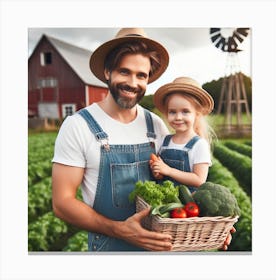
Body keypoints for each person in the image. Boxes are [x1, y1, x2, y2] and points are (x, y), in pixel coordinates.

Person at [52, 28, 234, 252]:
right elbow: (62, 203)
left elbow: (178, 186)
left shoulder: (155, 125)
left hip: (159, 250)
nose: (132, 83)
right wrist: (119, 230)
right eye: (124, 72)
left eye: (141, 75)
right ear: (107, 72)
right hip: (111, 250)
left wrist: (208, 225)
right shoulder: (78, 126)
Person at [150, 76, 214, 193]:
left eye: (185, 111)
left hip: (187, 206)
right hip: (164, 202)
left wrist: (169, 171)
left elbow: (199, 180)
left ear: (197, 114)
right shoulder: (165, 141)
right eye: (172, 112)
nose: (178, 117)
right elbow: (161, 175)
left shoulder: (199, 144)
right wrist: (158, 172)